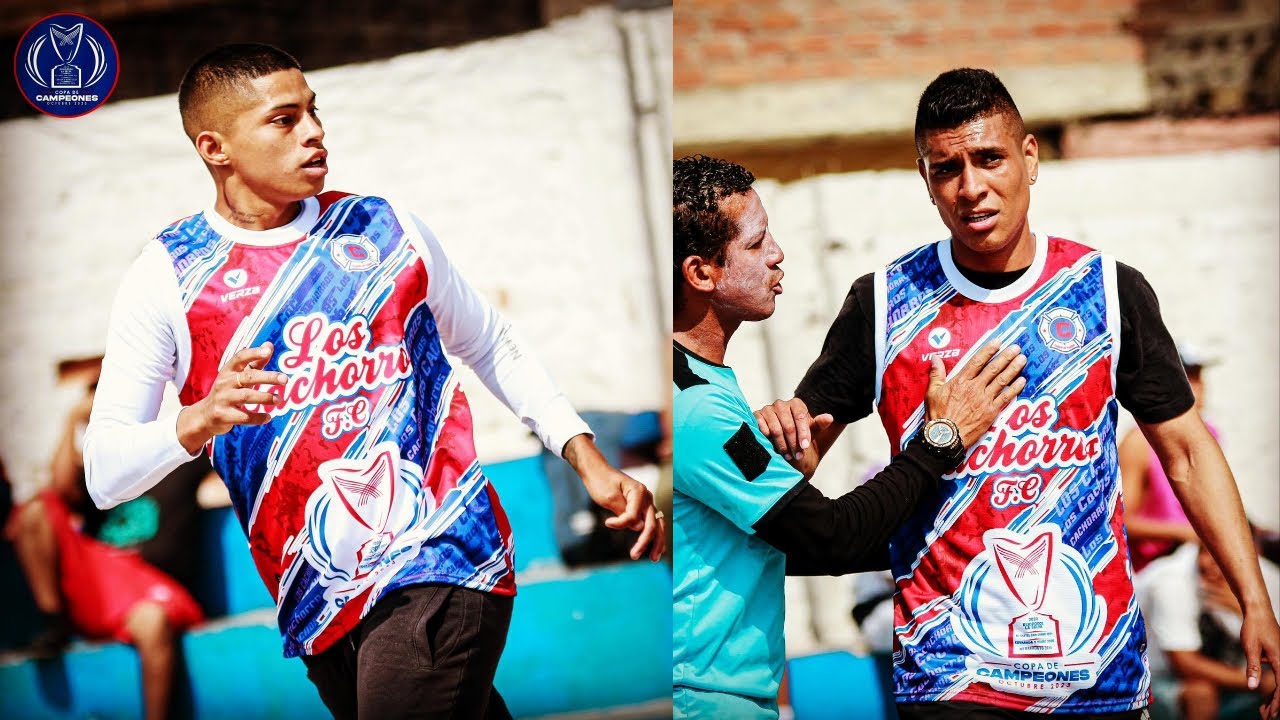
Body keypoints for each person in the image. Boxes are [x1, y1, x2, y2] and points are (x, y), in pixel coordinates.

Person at [83, 43, 664, 720]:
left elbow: (487, 339)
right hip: (319, 595)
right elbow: (105, 473)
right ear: (216, 147)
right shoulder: (170, 275)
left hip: (442, 552)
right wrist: (199, 418)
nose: (313, 131)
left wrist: (584, 455)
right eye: (284, 119)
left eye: (313, 111)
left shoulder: (385, 229)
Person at [754, 68, 1280, 718]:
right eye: (946, 168)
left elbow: (1189, 454)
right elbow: (796, 461)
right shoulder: (886, 304)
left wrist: (1255, 600)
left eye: (989, 159)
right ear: (926, 181)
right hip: (951, 673)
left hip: (1099, 672)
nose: (971, 187)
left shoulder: (1108, 293)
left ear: (1029, 159)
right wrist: (775, 437)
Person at [672, 154, 1027, 719]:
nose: (777, 254)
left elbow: (765, 545)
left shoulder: (704, 383)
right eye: (757, 242)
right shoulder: (695, 406)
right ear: (702, 273)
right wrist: (942, 439)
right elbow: (829, 540)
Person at [7, 374, 206, 720]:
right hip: (101, 583)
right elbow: (59, 491)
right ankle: (55, 623)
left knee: (152, 620)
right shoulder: (104, 470)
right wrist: (74, 419)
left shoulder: (181, 449)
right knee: (37, 508)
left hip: (152, 587)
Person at [1136, 541, 1279, 720]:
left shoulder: (1268, 578)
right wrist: (1257, 681)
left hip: (1231, 677)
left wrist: (1247, 610)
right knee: (1201, 693)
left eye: (1225, 556)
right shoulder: (1172, 580)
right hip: (1157, 678)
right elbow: (1185, 664)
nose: (1210, 564)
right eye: (1206, 553)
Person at [1119, 343, 1216, 573]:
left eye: (1198, 378)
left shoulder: (1210, 434)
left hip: (1197, 556)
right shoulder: (1138, 442)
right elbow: (1121, 521)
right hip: (1156, 567)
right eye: (1187, 378)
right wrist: (1183, 532)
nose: (1198, 388)